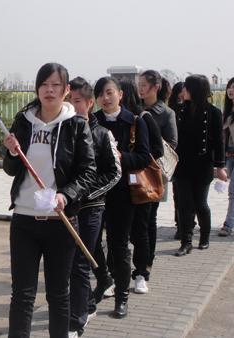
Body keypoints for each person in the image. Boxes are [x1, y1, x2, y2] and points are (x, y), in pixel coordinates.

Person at [3, 63, 96, 338]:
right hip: (24, 219)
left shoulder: (76, 125)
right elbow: (11, 169)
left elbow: (88, 172)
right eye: (44, 84)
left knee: (58, 293)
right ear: (37, 88)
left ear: (66, 90)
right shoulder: (24, 121)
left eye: (56, 85)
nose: (49, 90)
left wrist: (65, 194)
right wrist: (11, 153)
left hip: (60, 221)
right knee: (22, 294)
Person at [93, 77, 151, 318]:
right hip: (95, 193)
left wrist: (120, 156)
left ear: (120, 94)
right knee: (91, 243)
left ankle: (122, 297)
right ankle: (104, 280)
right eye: (100, 94)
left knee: (119, 246)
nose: (105, 98)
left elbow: (144, 157)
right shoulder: (92, 121)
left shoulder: (136, 121)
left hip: (123, 194)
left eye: (109, 93)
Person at [67, 77, 121, 337]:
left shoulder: (102, 134)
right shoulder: (62, 132)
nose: (71, 105)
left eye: (77, 101)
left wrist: (86, 194)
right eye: (68, 100)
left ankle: (76, 322)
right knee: (68, 261)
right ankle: (86, 304)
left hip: (91, 207)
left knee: (80, 261)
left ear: (90, 103)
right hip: (66, 208)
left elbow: (114, 173)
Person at [173, 75, 228, 256]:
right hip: (182, 164)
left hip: (203, 165)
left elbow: (219, 142)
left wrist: (220, 166)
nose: (183, 91)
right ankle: (186, 242)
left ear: (195, 90)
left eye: (186, 87)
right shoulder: (179, 111)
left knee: (200, 203)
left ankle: (204, 237)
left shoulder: (213, 113)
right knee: (184, 205)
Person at [118, 79, 163, 296]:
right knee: (119, 234)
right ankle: (118, 276)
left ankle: (141, 273)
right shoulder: (106, 120)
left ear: (122, 95)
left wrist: (130, 157)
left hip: (141, 185)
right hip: (117, 185)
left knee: (140, 231)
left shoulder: (143, 118)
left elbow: (157, 150)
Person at [138, 71, 178, 277]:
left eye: (144, 85)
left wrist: (148, 145)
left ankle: (147, 261)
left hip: (153, 173)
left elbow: (172, 144)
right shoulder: (133, 108)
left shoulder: (166, 113)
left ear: (156, 87)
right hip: (133, 170)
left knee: (149, 218)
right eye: (139, 84)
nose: (140, 88)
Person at [167, 81, 187, 238]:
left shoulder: (189, 109)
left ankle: (186, 223)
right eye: (181, 90)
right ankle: (179, 224)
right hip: (174, 157)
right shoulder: (172, 110)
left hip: (186, 156)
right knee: (177, 193)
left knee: (185, 194)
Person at [218, 77, 234, 237]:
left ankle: (228, 225)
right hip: (229, 154)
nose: (231, 90)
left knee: (232, 191)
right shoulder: (228, 111)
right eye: (229, 87)